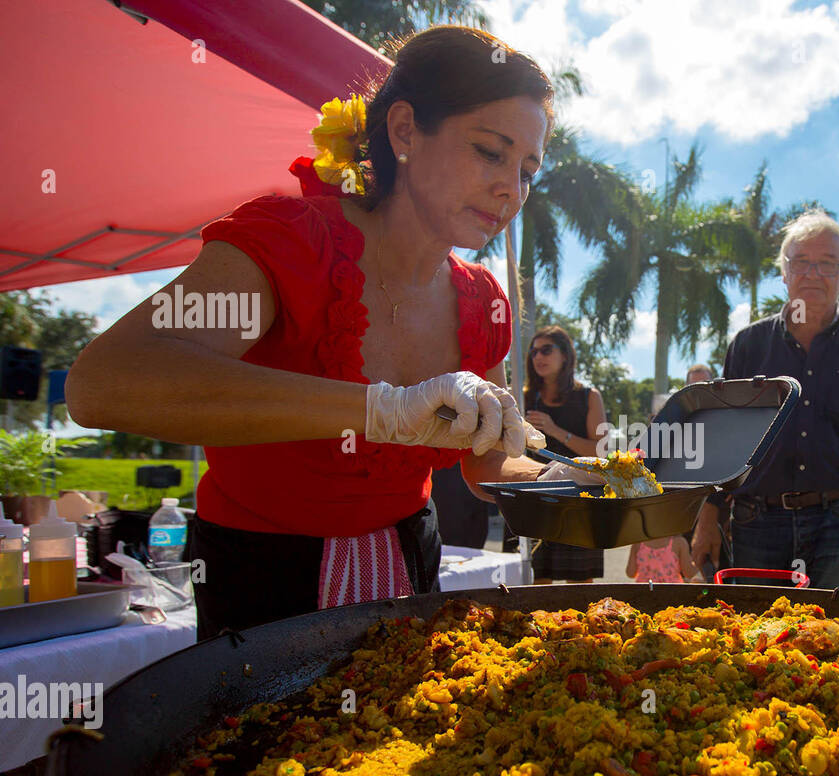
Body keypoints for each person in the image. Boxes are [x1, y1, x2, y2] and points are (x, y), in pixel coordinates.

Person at [64, 27, 569, 639]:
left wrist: (569, 480)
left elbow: (488, 460)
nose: (510, 190)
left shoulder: (482, 300)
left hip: (411, 568)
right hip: (259, 580)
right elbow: (104, 384)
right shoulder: (293, 249)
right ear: (405, 130)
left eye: (527, 171)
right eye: (491, 152)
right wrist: (381, 409)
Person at [691, 210, 839, 592]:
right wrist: (707, 523)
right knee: (754, 639)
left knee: (832, 636)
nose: (813, 273)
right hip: (757, 522)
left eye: (827, 263)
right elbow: (724, 444)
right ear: (784, 272)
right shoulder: (748, 346)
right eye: (801, 262)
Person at [523, 325, 609, 583]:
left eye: (546, 350)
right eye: (534, 351)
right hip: (534, 495)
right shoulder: (523, 397)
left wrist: (553, 429)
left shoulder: (588, 396)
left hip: (579, 499)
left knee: (580, 589)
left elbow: (600, 452)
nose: (538, 357)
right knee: (533, 586)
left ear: (565, 355)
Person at [627, 534, 699, 584]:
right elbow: (689, 573)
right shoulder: (679, 543)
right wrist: (699, 559)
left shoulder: (638, 543)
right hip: (672, 592)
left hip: (645, 591)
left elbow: (630, 573)